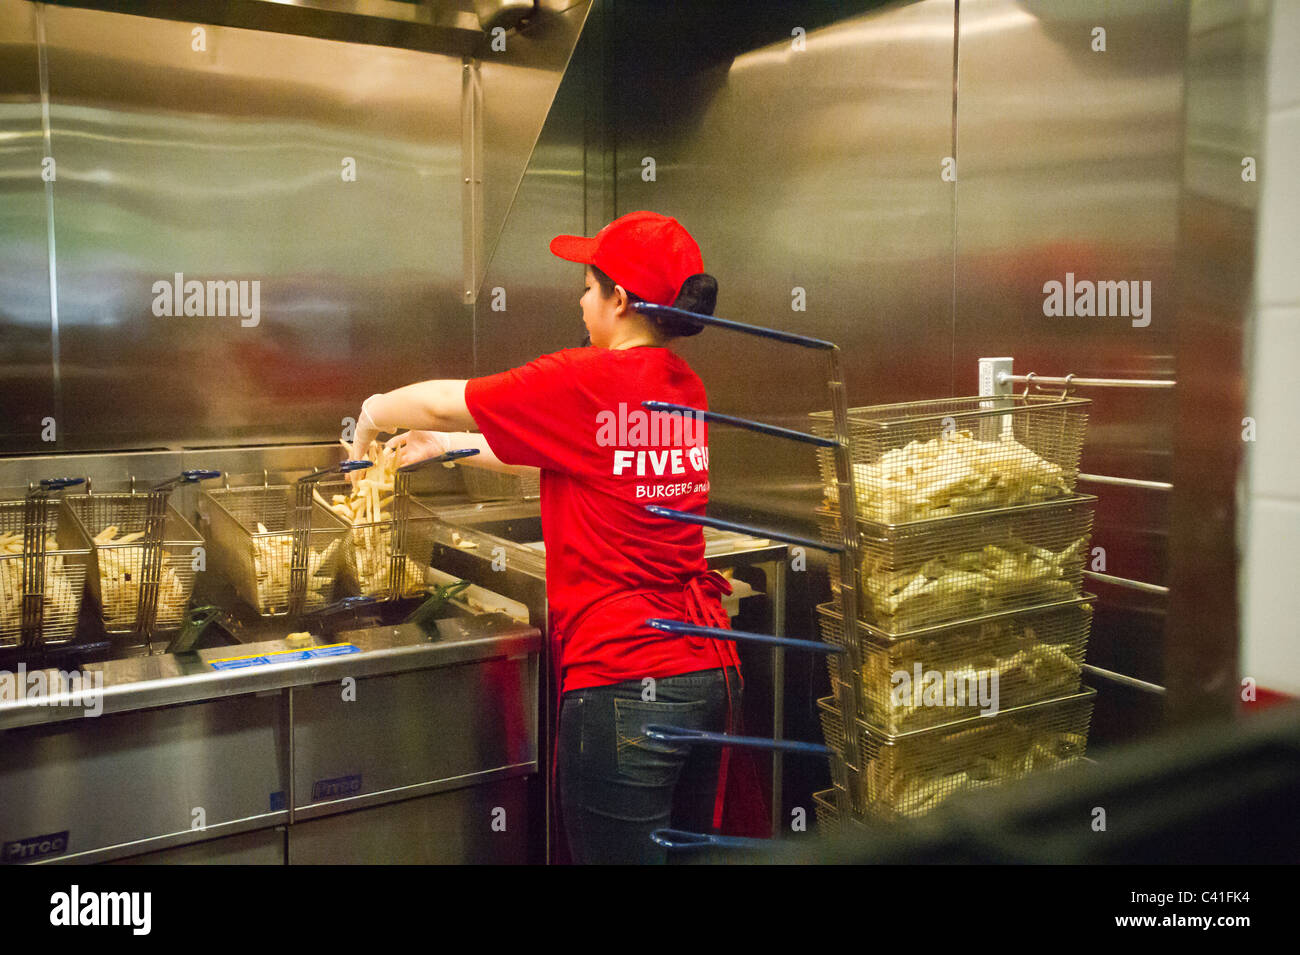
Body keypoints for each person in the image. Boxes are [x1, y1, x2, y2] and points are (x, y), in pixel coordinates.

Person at [347, 210, 743, 864]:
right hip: (707, 674)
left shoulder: (585, 377)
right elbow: (576, 453)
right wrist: (446, 447)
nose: (579, 299)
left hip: (624, 683)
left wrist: (370, 413)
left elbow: (448, 397)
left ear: (618, 300)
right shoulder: (683, 386)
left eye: (588, 286)